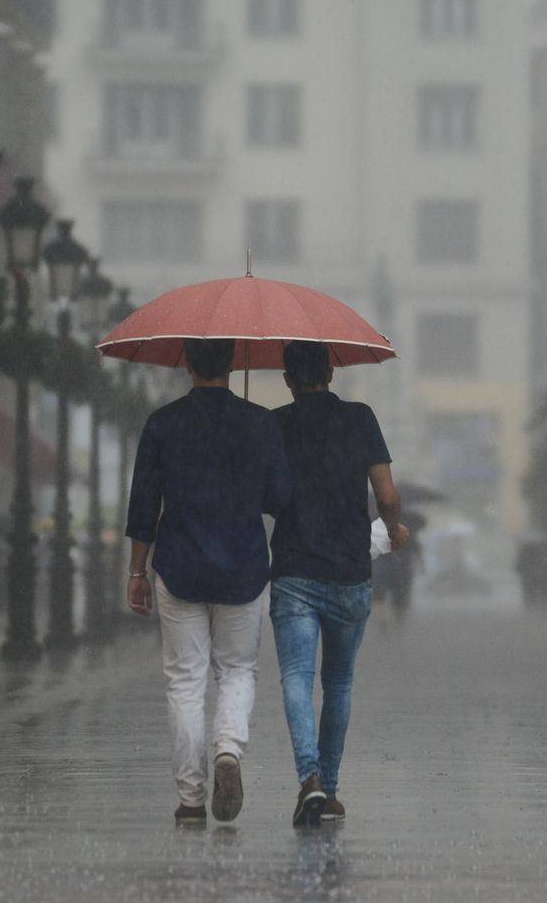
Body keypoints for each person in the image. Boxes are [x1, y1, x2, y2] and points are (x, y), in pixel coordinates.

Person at [125, 337, 293, 826]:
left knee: (185, 681)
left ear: (187, 365)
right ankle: (228, 749)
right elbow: (280, 496)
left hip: (179, 566)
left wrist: (137, 571)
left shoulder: (162, 424)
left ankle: (192, 797)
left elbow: (143, 506)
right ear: (231, 364)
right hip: (242, 565)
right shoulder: (260, 423)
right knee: (238, 670)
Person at [269, 340, 408, 827]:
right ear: (331, 372)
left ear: (288, 379)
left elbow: (266, 495)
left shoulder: (274, 424)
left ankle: (309, 777)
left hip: (293, 570)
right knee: (339, 681)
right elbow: (387, 494)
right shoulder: (361, 417)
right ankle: (328, 788)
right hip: (349, 572)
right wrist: (393, 530)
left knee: (296, 678)